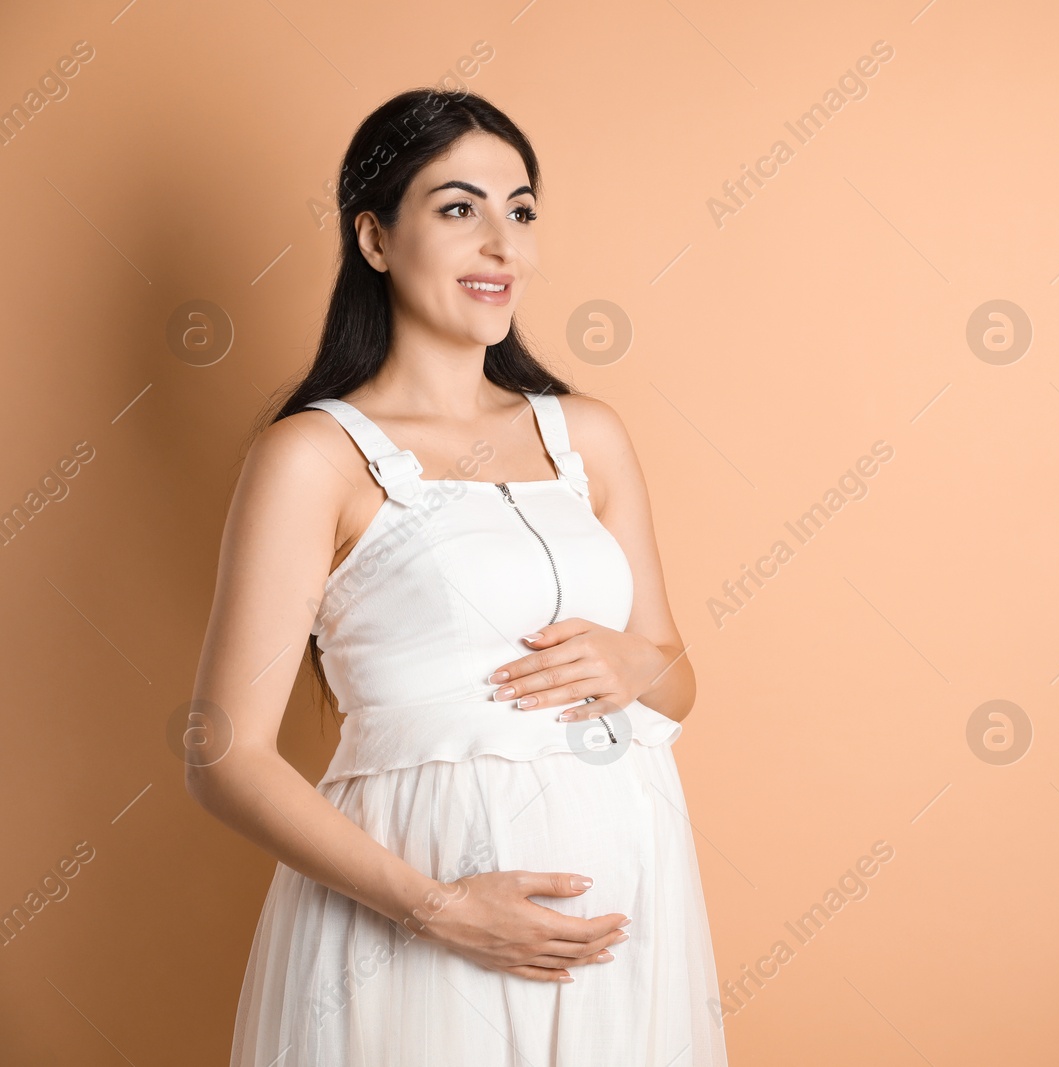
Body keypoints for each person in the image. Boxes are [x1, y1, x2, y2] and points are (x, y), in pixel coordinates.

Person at [185, 87, 728, 1065]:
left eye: (520, 210)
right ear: (375, 239)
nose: (502, 244)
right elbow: (225, 754)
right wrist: (441, 909)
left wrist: (634, 661)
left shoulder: (587, 434)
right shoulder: (314, 456)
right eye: (457, 208)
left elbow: (677, 675)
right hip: (415, 925)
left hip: (623, 923)